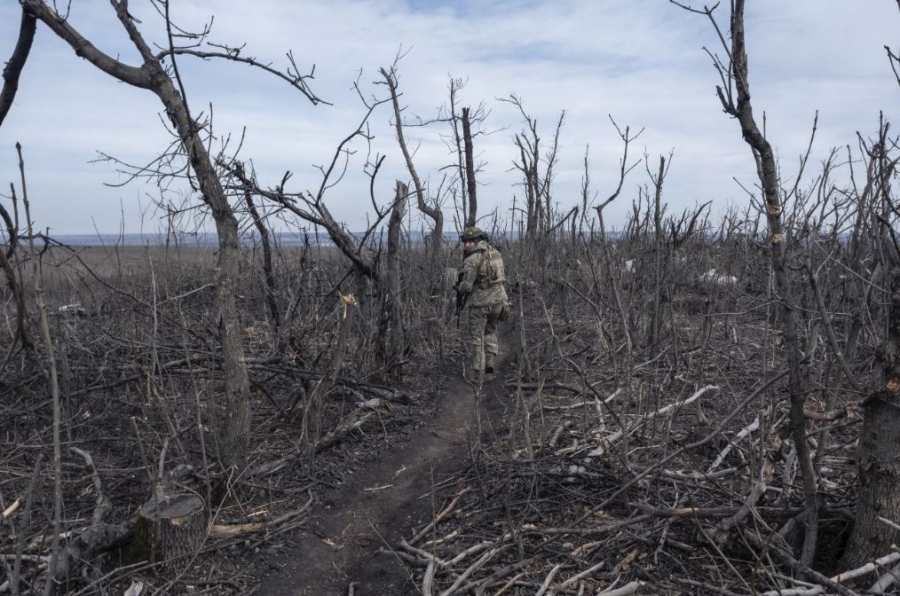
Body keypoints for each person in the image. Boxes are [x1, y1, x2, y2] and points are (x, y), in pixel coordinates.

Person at [455, 226, 508, 377]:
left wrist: (458, 288)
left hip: (481, 303)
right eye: (466, 242)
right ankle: (490, 364)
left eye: (470, 242)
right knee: (490, 331)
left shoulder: (472, 260)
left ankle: (478, 372)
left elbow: (466, 286)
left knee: (477, 336)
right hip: (498, 301)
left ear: (478, 241)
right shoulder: (496, 254)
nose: (467, 245)